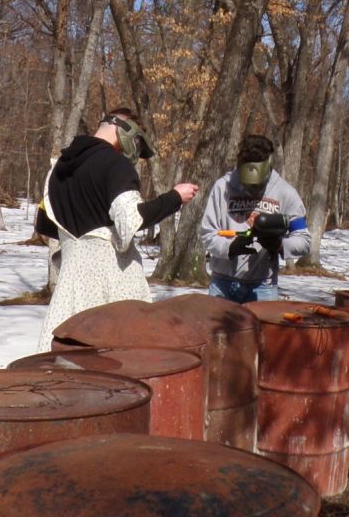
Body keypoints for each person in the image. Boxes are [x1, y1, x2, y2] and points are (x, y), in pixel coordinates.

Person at [35, 108, 197, 351]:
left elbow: (44, 224)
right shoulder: (115, 164)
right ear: (125, 129)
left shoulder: (58, 169)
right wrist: (174, 197)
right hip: (113, 285)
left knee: (65, 357)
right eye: (138, 142)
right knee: (123, 359)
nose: (135, 151)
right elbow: (132, 219)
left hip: (71, 285)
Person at [201, 135, 311, 304]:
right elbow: (207, 234)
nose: (251, 191)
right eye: (246, 185)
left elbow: (304, 240)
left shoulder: (286, 193)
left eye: (257, 186)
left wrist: (279, 245)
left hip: (263, 286)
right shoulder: (222, 188)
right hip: (222, 283)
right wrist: (229, 248)